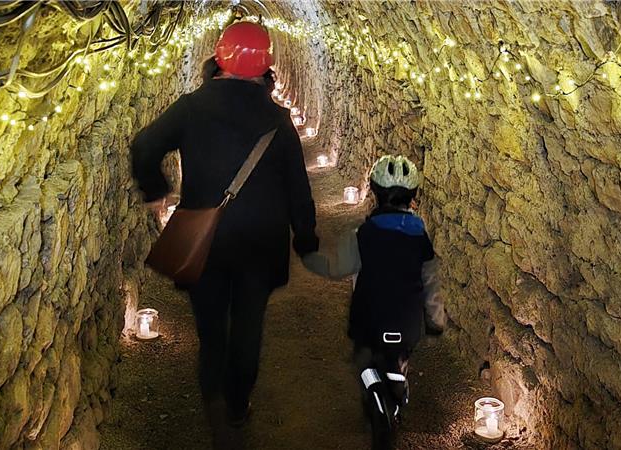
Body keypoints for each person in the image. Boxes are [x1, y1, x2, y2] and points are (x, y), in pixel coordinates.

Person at [130, 21, 319, 447]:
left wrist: (156, 190)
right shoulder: (277, 119)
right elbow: (297, 185)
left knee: (212, 329)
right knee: (249, 323)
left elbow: (144, 146)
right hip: (261, 242)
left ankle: (214, 399)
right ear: (266, 68)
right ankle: (237, 406)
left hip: (207, 240)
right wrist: (304, 235)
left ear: (219, 60)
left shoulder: (192, 107)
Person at [301, 155, 444, 433]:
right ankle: (398, 391)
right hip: (407, 321)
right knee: (401, 356)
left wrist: (308, 257)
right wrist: (436, 319)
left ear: (375, 193)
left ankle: (371, 384)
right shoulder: (421, 239)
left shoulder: (362, 234)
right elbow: (431, 284)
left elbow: (337, 268)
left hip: (368, 317)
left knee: (363, 357)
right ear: (413, 196)